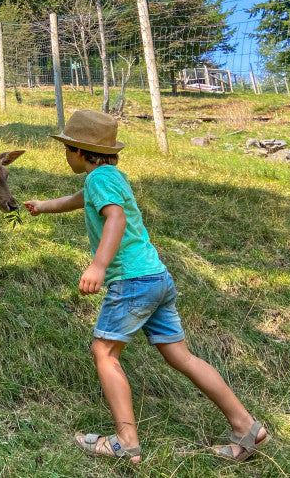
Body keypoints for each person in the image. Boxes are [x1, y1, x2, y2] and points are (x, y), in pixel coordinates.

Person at [23, 110, 270, 463]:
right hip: (157, 278)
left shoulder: (99, 180)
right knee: (180, 355)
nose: (65, 154)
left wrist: (98, 265)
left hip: (132, 281)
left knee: (104, 352)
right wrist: (44, 207)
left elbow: (116, 218)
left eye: (66, 148)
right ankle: (247, 427)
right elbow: (81, 200)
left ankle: (125, 442)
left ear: (78, 151)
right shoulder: (109, 176)